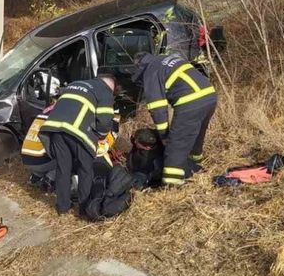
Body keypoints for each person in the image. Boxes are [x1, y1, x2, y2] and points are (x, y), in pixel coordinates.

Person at [132, 53, 218, 187]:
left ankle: (173, 185)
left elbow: (157, 108)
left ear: (139, 66)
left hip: (190, 101)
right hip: (209, 95)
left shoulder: (150, 71)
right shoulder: (164, 59)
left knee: (175, 145)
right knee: (195, 136)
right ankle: (195, 166)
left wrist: (164, 135)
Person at [38, 75, 116, 215]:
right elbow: (104, 122)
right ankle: (83, 209)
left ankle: (62, 207)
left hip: (55, 129)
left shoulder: (75, 83)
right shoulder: (104, 91)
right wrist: (102, 136)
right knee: (86, 170)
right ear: (110, 86)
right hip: (77, 132)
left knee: (63, 169)